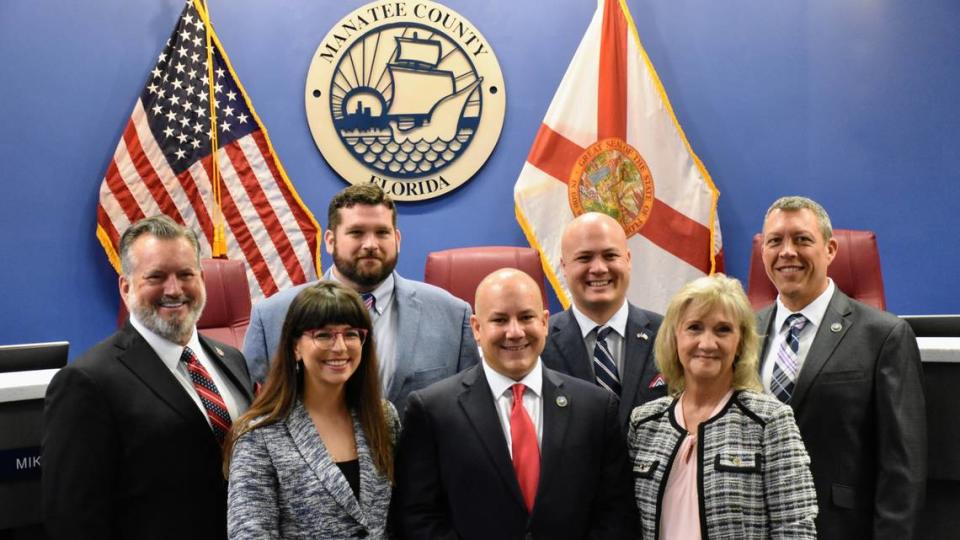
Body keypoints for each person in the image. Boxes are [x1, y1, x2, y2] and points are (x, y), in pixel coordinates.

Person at [42, 215, 254, 539]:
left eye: (186, 274)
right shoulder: (87, 382)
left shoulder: (233, 360)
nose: (174, 289)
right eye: (156, 276)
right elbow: (73, 520)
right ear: (126, 286)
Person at [392, 268, 636, 539]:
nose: (515, 332)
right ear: (476, 328)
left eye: (526, 317)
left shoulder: (596, 408)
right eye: (499, 320)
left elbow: (616, 514)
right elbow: (417, 517)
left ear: (544, 322)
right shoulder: (432, 410)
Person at [757, 196, 926, 539]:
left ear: (831, 249)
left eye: (802, 239)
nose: (787, 251)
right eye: (775, 241)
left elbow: (902, 468)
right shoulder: (742, 332)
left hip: (839, 529)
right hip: (754, 526)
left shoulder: (883, 336)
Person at [243, 184, 480, 414]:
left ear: (397, 239)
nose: (370, 244)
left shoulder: (453, 316)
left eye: (382, 232)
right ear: (330, 241)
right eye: (356, 233)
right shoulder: (273, 317)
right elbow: (257, 413)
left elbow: (469, 411)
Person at [628, 274, 818, 539]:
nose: (707, 343)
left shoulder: (769, 420)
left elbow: (796, 529)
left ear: (740, 342)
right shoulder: (644, 422)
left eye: (723, 330)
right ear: (675, 338)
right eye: (694, 327)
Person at [226, 282, 399, 538]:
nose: (340, 347)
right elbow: (250, 534)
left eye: (351, 334)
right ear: (296, 346)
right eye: (323, 335)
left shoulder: (384, 418)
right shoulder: (258, 434)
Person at [541, 212, 665, 430]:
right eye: (584, 258)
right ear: (564, 266)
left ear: (628, 260)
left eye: (610, 256)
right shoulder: (539, 343)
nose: (598, 268)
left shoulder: (668, 334)